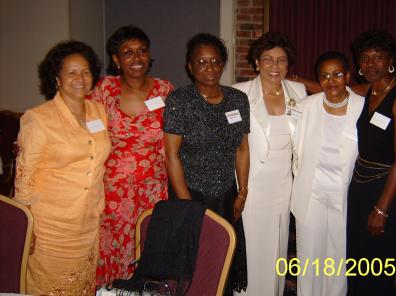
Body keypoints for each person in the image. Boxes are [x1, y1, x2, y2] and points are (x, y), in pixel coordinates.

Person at [14, 41, 111, 295]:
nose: (80, 78)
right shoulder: (38, 118)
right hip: (50, 226)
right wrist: (26, 225)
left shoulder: (98, 112)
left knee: (83, 285)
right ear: (56, 78)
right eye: (71, 72)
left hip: (88, 222)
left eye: (86, 71)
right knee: (48, 285)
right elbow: (24, 176)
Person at [164, 33, 250, 294]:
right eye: (201, 62)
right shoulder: (180, 101)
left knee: (222, 259)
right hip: (190, 192)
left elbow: (242, 148)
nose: (209, 67)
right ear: (190, 67)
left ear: (223, 63)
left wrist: (242, 192)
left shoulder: (237, 99)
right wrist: (187, 206)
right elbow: (171, 156)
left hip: (226, 194)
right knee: (193, 264)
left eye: (214, 61)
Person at [91, 25, 174, 284]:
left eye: (141, 51)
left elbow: (177, 136)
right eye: (127, 52)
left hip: (153, 188)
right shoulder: (104, 89)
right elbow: (87, 130)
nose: (136, 58)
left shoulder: (164, 89)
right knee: (112, 248)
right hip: (113, 190)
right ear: (116, 59)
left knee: (148, 245)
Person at [232, 32, 306, 296]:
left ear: (288, 64)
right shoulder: (239, 93)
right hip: (252, 182)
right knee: (251, 246)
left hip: (283, 183)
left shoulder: (298, 91)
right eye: (268, 60)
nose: (275, 67)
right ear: (256, 63)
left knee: (277, 247)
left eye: (281, 61)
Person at [346, 30, 396, 295]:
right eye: (364, 59)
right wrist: (293, 81)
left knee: (377, 256)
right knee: (356, 253)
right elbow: (332, 90)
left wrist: (382, 209)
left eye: (377, 57)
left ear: (391, 59)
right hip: (361, 184)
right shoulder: (368, 91)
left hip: (388, 187)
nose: (369, 64)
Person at [290, 51, 364, 296]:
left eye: (338, 74)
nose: (331, 81)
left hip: (346, 192)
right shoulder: (307, 106)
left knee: (338, 251)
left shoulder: (362, 107)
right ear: (318, 79)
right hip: (312, 189)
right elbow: (290, 139)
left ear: (348, 76)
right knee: (309, 252)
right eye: (325, 76)